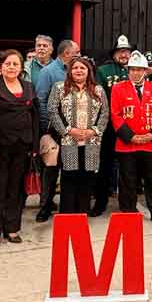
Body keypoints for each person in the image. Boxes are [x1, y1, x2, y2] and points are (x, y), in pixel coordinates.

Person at [0, 50, 39, 248]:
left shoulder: (29, 87)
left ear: (22, 68)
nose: (11, 67)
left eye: (15, 64)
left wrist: (35, 145)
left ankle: (12, 228)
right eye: (7, 64)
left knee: (16, 190)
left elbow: (36, 117)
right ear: (0, 66)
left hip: (23, 147)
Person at [110, 51, 152, 227]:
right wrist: (132, 137)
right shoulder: (118, 88)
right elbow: (116, 115)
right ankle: (128, 212)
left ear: (146, 71)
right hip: (127, 144)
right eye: (132, 69)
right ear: (128, 70)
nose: (136, 73)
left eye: (139, 69)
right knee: (128, 179)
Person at [47, 57, 109, 213]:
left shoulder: (98, 90)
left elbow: (105, 113)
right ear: (70, 71)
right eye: (75, 68)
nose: (79, 70)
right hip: (69, 140)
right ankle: (67, 215)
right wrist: (67, 130)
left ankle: (82, 213)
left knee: (87, 178)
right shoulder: (60, 87)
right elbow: (52, 110)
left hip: (91, 141)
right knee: (69, 177)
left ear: (89, 71)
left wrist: (93, 131)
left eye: (83, 68)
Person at [34, 39, 81, 222]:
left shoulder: (77, 70)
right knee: (50, 170)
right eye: (76, 52)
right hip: (54, 130)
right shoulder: (49, 72)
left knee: (70, 170)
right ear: (66, 53)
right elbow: (41, 101)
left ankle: (68, 207)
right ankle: (45, 207)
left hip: (75, 131)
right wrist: (47, 128)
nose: (78, 55)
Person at [91, 35, 134, 216]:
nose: (124, 54)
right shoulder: (102, 71)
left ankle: (126, 204)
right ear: (114, 53)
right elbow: (98, 97)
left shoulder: (136, 70)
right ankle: (100, 202)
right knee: (104, 166)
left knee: (128, 167)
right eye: (121, 51)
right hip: (108, 127)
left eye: (127, 51)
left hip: (130, 126)